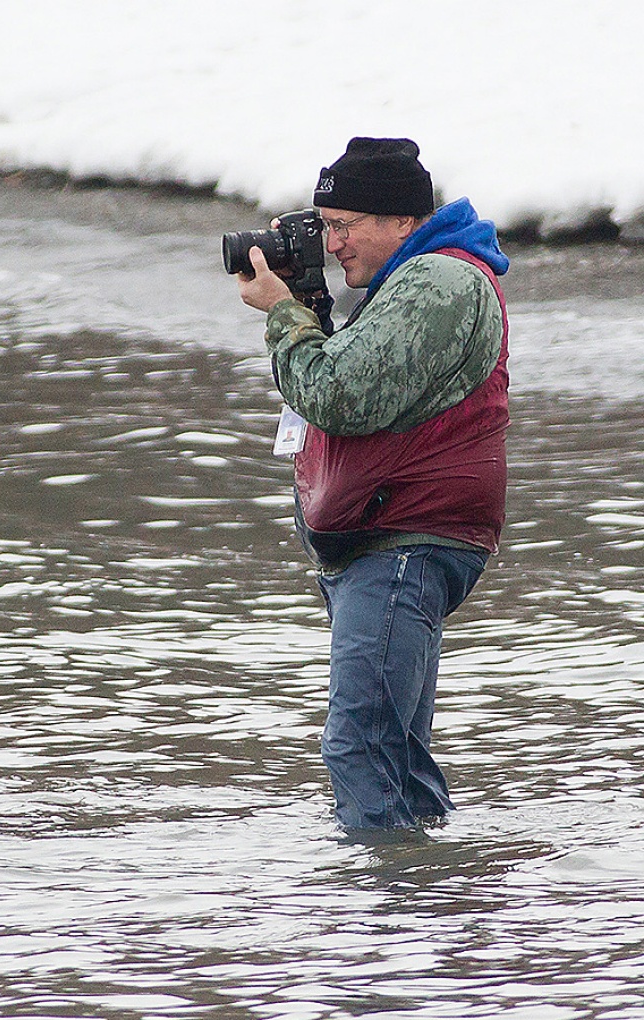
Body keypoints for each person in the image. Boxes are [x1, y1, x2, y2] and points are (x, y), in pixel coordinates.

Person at [236, 137, 510, 829]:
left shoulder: (439, 282)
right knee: (397, 755)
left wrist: (282, 316)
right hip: (390, 543)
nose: (332, 243)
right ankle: (427, 896)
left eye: (343, 225)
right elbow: (359, 379)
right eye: (324, 225)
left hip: (404, 544)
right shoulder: (410, 282)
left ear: (401, 221)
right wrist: (308, 306)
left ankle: (379, 919)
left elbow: (338, 393)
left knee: (359, 747)